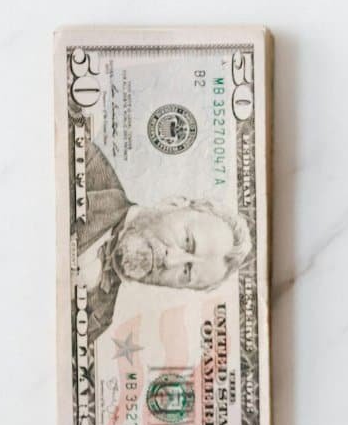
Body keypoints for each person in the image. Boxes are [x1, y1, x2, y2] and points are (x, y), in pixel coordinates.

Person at [75, 143, 251, 341]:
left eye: (186, 271)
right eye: (187, 242)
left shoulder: (99, 319)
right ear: (172, 204)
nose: (171, 261)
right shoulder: (85, 162)